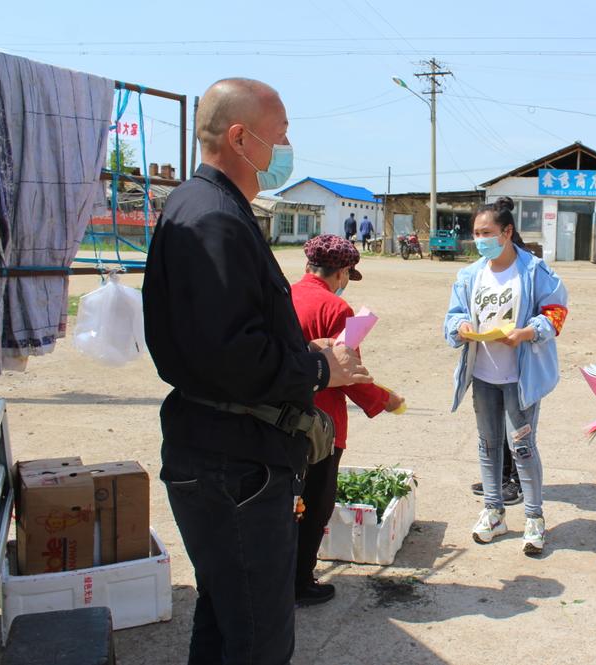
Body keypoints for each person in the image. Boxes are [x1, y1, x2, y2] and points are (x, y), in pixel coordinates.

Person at [143, 78, 372, 665]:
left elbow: (228, 334)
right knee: (259, 641)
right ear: (240, 138)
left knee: (225, 619)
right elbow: (234, 358)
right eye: (282, 134)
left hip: (221, 451)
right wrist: (321, 368)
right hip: (235, 465)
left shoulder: (204, 206)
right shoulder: (214, 219)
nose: (288, 146)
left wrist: (301, 350)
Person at [443, 196, 568, 555]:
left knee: (523, 446)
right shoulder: (470, 274)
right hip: (482, 374)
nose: (480, 239)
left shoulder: (534, 270)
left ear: (507, 232)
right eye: (476, 233)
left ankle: (534, 518)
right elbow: (452, 315)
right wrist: (461, 325)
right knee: (487, 444)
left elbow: (557, 312)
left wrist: (528, 332)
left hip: (520, 376)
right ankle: (494, 512)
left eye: (487, 232)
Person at [290, 234, 404, 605]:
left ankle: (278, 573)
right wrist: (387, 400)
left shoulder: (284, 295)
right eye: (345, 276)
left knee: (286, 500)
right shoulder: (336, 310)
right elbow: (349, 374)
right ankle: (300, 583)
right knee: (316, 502)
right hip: (321, 423)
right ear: (340, 272)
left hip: (280, 416)